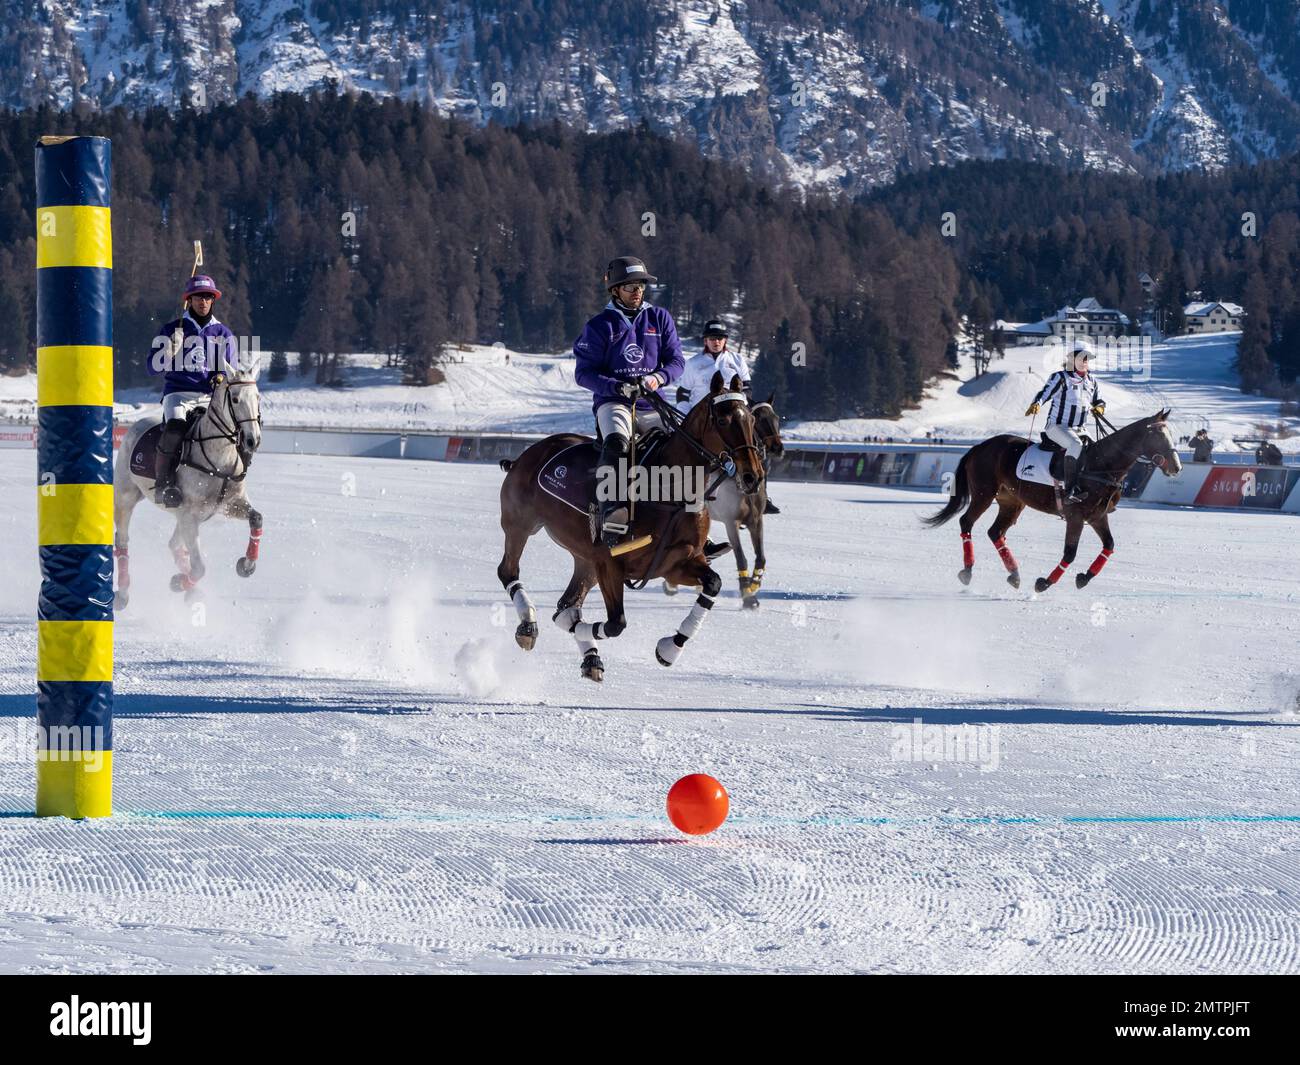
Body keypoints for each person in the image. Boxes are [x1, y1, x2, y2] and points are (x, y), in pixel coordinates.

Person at [573, 256, 685, 547]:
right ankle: (612, 512)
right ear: (614, 290)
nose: (637, 291)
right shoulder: (599, 325)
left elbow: (676, 361)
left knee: (682, 449)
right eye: (629, 287)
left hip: (653, 402)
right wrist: (617, 387)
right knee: (618, 445)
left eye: (640, 286)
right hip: (614, 402)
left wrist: (657, 378)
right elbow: (584, 373)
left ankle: (693, 521)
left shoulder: (659, 318)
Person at [147, 275, 237, 507]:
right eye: (198, 297)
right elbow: (152, 368)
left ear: (213, 300)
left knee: (230, 432)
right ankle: (164, 485)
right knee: (175, 429)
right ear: (189, 300)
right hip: (177, 394)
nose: (203, 301)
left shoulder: (222, 333)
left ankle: (232, 482)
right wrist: (167, 351)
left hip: (208, 397)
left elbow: (230, 370)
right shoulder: (172, 329)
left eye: (208, 297)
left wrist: (220, 376)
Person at [676, 319, 780, 515]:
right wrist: (685, 417)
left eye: (720, 338)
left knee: (757, 447)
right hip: (703, 420)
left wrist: (740, 407)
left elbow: (747, 389)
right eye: (712, 338)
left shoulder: (737, 360)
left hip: (731, 418)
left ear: (725, 341)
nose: (716, 342)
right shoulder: (693, 364)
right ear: (705, 341)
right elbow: (683, 393)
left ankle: (760, 495)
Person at [1025, 338, 1105, 502]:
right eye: (1081, 358)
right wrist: (1037, 403)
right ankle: (1069, 491)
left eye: (1087, 358)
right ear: (1071, 359)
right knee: (1075, 445)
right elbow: (1045, 393)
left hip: (1080, 428)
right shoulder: (1061, 377)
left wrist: (1099, 408)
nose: (1084, 362)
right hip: (1057, 427)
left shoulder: (1092, 381)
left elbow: (1099, 401)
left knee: (1097, 451)